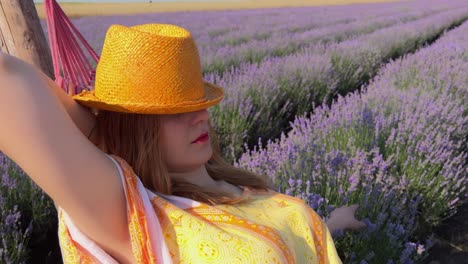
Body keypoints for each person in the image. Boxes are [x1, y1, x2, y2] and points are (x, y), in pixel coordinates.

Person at [0, 23, 365, 263]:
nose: (200, 117)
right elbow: (8, 84)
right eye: (173, 111)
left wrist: (328, 224)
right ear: (134, 128)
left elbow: (281, 246)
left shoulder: (238, 187)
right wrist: (99, 121)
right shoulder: (138, 215)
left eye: (198, 104)